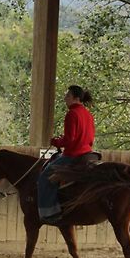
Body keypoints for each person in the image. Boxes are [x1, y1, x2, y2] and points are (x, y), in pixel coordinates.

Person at [37, 85, 95, 223]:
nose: (65, 98)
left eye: (67, 96)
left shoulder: (72, 114)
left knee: (44, 177)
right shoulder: (88, 114)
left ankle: (50, 212)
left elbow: (70, 140)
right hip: (87, 153)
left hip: (72, 155)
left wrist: (56, 142)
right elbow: (91, 138)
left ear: (76, 98)